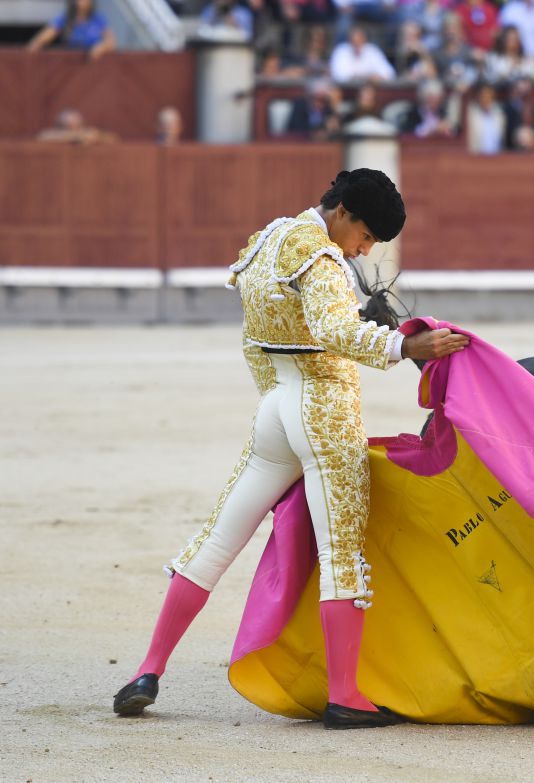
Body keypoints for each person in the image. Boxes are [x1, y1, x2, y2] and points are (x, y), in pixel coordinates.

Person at [112, 169, 468, 727]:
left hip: (276, 406)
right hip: (324, 411)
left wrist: (276, 393)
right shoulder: (322, 258)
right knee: (341, 553)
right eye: (366, 236)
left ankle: (148, 670)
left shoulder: (270, 238)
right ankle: (346, 695)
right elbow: (336, 333)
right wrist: (406, 344)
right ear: (344, 211)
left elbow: (257, 339)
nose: (364, 250)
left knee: (216, 539)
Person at [26, 0, 116, 60]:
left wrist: (102, 47)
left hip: (93, 67)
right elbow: (47, 35)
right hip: (70, 66)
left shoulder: (98, 18)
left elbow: (111, 42)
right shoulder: (66, 17)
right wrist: (34, 45)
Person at [330, 26, 397, 82]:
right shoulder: (341, 50)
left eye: (359, 40)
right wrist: (365, 77)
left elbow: (389, 73)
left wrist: (378, 77)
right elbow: (338, 75)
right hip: (346, 91)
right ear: (349, 40)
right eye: (353, 41)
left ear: (365, 39)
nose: (356, 44)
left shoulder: (372, 50)